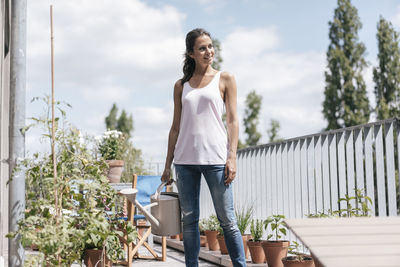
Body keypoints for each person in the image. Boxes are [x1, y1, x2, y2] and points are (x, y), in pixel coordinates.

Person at [161, 28, 246, 267]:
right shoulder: (181, 85)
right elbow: (175, 127)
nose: (208, 51)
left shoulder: (225, 78)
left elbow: (232, 120)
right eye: (202, 48)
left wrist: (232, 157)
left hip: (217, 160)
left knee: (227, 220)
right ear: (191, 54)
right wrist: (167, 164)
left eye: (210, 46)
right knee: (189, 221)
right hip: (185, 161)